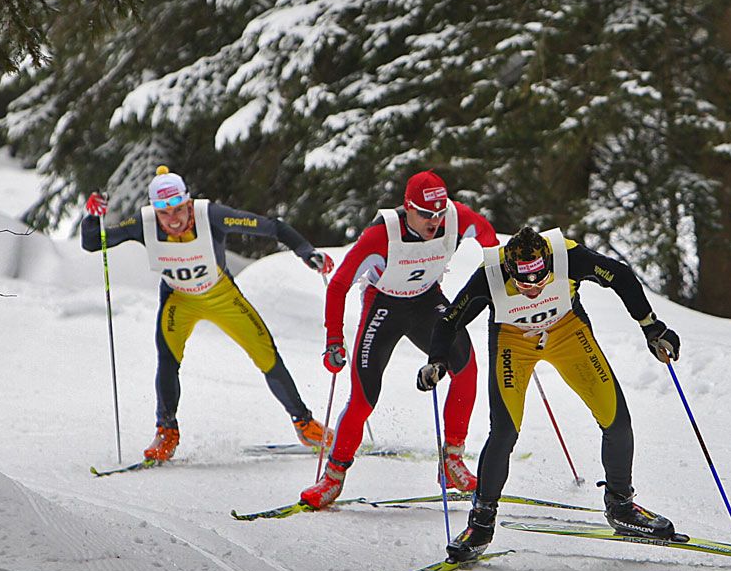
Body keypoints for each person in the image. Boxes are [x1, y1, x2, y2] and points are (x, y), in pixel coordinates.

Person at [417, 225, 681, 562]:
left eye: (540, 280)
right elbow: (449, 320)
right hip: (513, 341)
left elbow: (620, 275)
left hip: (566, 333)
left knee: (615, 417)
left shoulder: (567, 255)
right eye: (524, 283)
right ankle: (481, 523)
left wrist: (652, 327)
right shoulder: (491, 273)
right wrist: (437, 362)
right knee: (504, 432)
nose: (533, 288)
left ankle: (621, 505)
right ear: (510, 270)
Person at [81, 165, 335, 461]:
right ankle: (166, 432)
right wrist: (92, 215)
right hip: (179, 299)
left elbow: (272, 227)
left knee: (267, 354)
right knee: (167, 361)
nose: (174, 220)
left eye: (178, 210)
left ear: (188, 203)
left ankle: (305, 424)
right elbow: (93, 242)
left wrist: (306, 252)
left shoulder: (210, 215)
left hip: (221, 295)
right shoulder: (143, 223)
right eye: (165, 213)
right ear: (154, 211)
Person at [299, 169, 499, 508]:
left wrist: (498, 273)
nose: (434, 222)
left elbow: (487, 234)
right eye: (425, 214)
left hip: (427, 301)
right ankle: (332, 478)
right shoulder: (381, 235)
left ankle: (452, 460)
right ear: (408, 208)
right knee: (363, 398)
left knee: (466, 367)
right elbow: (339, 284)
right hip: (384, 307)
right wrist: (334, 340)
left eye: (439, 213)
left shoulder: (456, 218)